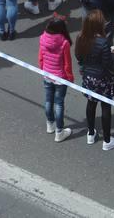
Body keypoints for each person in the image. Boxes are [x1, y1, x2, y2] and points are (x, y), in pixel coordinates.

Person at [75, 9, 114, 151]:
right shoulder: (103, 42)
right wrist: (112, 52)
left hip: (89, 77)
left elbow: (79, 57)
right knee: (106, 106)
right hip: (103, 78)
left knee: (91, 103)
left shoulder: (80, 37)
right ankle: (107, 141)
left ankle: (90, 133)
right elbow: (107, 64)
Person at [39, 14, 74, 142]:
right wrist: (70, 78)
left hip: (47, 75)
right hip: (60, 78)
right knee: (59, 104)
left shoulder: (42, 38)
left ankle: (50, 125)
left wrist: (43, 69)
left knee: (48, 100)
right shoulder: (64, 43)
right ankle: (59, 132)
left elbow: (41, 57)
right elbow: (67, 64)